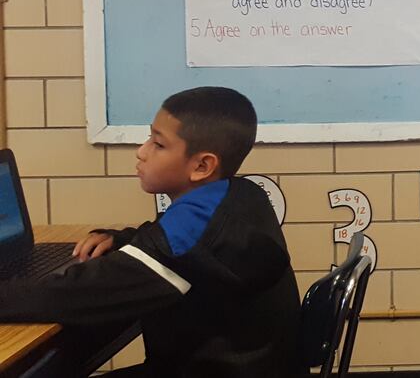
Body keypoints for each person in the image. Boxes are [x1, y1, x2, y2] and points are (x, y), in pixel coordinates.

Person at [0, 87, 300, 376]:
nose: (141, 152)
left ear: (202, 165)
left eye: (158, 144)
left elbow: (72, 294)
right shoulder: (241, 195)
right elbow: (170, 245)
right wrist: (122, 241)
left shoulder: (189, 239)